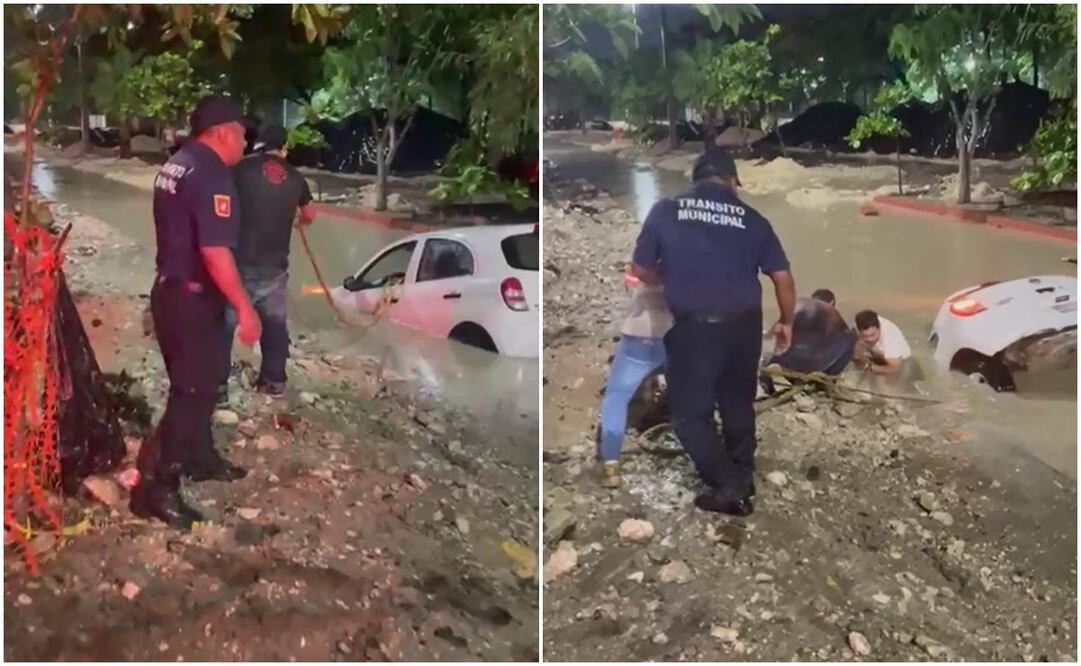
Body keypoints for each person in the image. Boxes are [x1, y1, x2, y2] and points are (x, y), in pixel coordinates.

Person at [631, 150, 796, 516]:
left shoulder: (665, 210)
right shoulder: (754, 220)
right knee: (737, 402)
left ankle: (729, 485)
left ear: (696, 179)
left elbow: (641, 269)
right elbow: (782, 277)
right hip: (746, 325)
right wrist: (787, 321)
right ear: (733, 181)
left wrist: (668, 275)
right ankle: (742, 471)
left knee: (691, 415)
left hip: (695, 328)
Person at [130, 95, 260, 529]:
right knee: (193, 392)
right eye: (242, 132)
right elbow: (215, 249)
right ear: (222, 132)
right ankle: (155, 488)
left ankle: (200, 458)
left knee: (197, 384)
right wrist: (245, 307)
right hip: (191, 298)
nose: (246, 141)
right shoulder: (212, 173)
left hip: (169, 290)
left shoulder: (178, 162)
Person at [219, 123, 315, 402]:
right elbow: (310, 214)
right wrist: (296, 220)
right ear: (284, 147)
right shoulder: (297, 178)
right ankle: (273, 381)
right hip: (274, 267)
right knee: (274, 326)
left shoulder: (238, 169)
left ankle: (218, 388)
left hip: (236, 263)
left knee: (224, 325)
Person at [595, 270, 673, 488]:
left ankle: (610, 466)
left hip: (640, 333)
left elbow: (635, 274)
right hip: (676, 333)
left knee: (617, 396)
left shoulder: (651, 246)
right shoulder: (695, 252)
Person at [767, 288, 856, 378]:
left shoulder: (797, 304)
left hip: (782, 357)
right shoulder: (830, 311)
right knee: (850, 336)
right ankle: (830, 376)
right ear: (832, 302)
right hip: (811, 363)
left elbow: (772, 334)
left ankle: (777, 367)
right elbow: (843, 333)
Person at [854, 310, 912, 375]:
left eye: (872, 335)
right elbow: (858, 345)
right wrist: (865, 362)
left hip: (899, 362)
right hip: (879, 354)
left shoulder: (890, 338)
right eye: (865, 336)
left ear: (879, 328)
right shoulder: (858, 324)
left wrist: (870, 368)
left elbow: (895, 368)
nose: (869, 339)